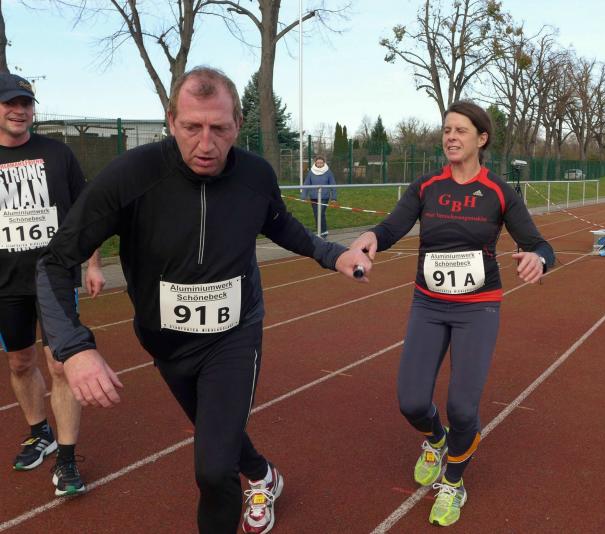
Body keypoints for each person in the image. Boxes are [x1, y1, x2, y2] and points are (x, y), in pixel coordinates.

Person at [35, 67, 371, 534]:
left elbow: (280, 224)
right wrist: (74, 347)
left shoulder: (254, 175)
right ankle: (263, 474)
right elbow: (54, 262)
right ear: (171, 120)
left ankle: (249, 483)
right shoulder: (130, 176)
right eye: (192, 127)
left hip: (234, 335)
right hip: (165, 341)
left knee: (213, 468)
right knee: (221, 434)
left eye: (220, 128)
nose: (206, 143)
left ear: (238, 125)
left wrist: (333, 254)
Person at [349, 100, 555, 527]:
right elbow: (390, 227)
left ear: (481, 139)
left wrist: (539, 259)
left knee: (462, 408)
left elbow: (540, 244)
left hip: (478, 308)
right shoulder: (427, 186)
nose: (451, 137)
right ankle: (436, 440)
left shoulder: (499, 191)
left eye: (461, 130)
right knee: (411, 401)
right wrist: (371, 236)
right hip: (428, 304)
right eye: (447, 130)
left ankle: (454, 481)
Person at [0, 73, 105, 496]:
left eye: (26, 104)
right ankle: (38, 432)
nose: (19, 110)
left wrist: (93, 264)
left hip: (55, 277)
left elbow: (87, 212)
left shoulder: (58, 154)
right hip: (6, 282)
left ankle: (66, 459)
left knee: (61, 364)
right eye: (10, 103)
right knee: (19, 363)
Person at [301, 155, 337, 238]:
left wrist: (334, 198)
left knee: (320, 214)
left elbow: (333, 185)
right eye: (318, 163)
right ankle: (320, 231)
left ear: (324, 163)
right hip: (313, 197)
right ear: (315, 163)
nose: (319, 164)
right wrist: (303, 196)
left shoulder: (328, 172)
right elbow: (306, 184)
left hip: (324, 197)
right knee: (316, 214)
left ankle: (323, 232)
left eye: (321, 163)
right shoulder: (311, 172)